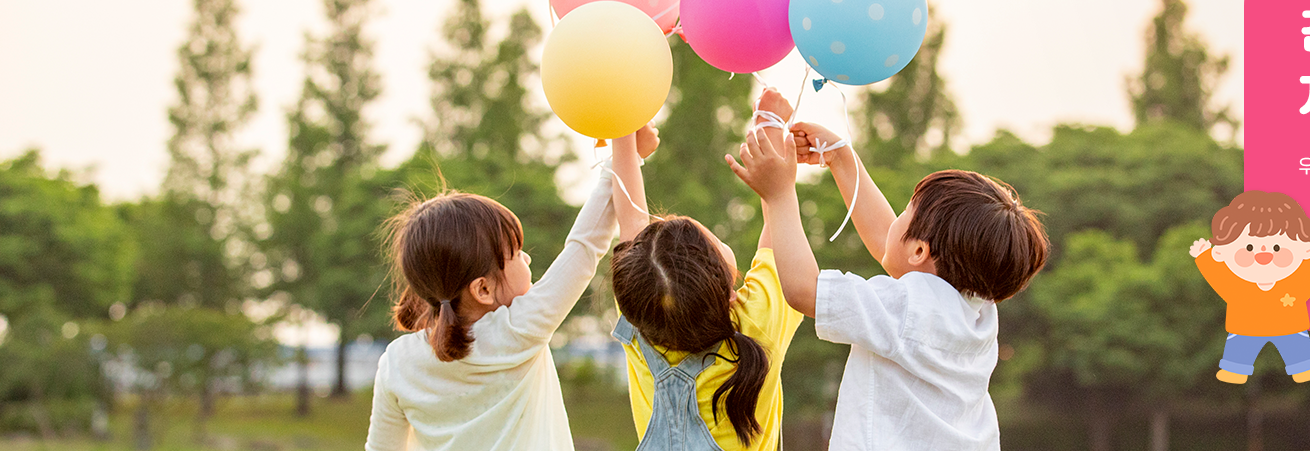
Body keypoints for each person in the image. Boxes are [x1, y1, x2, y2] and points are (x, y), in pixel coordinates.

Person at [730, 119, 1048, 450]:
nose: (895, 219)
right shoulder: (977, 311)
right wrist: (841, 159)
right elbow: (892, 246)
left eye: (906, 212)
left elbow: (803, 289)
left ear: (920, 250)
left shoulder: (908, 308)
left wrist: (779, 193)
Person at [364, 128, 654, 451]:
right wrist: (627, 152)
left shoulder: (397, 363)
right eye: (515, 253)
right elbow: (585, 246)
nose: (527, 257)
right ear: (483, 289)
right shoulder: (519, 331)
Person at [603, 91, 805, 451]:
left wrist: (627, 136)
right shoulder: (756, 324)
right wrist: (769, 125)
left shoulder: (641, 312)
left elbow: (630, 216)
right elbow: (780, 222)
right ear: (729, 289)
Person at [1188, 191, 1310, 384]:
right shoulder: (1237, 286)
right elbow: (1218, 277)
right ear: (1222, 252)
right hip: (1247, 327)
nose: (1264, 255)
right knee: (1240, 349)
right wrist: (1204, 257)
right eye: (1249, 248)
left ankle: (1302, 366)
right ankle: (1235, 368)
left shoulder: (1295, 283)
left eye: (1277, 247)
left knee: (1295, 346)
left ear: (1305, 250)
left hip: (1287, 326)